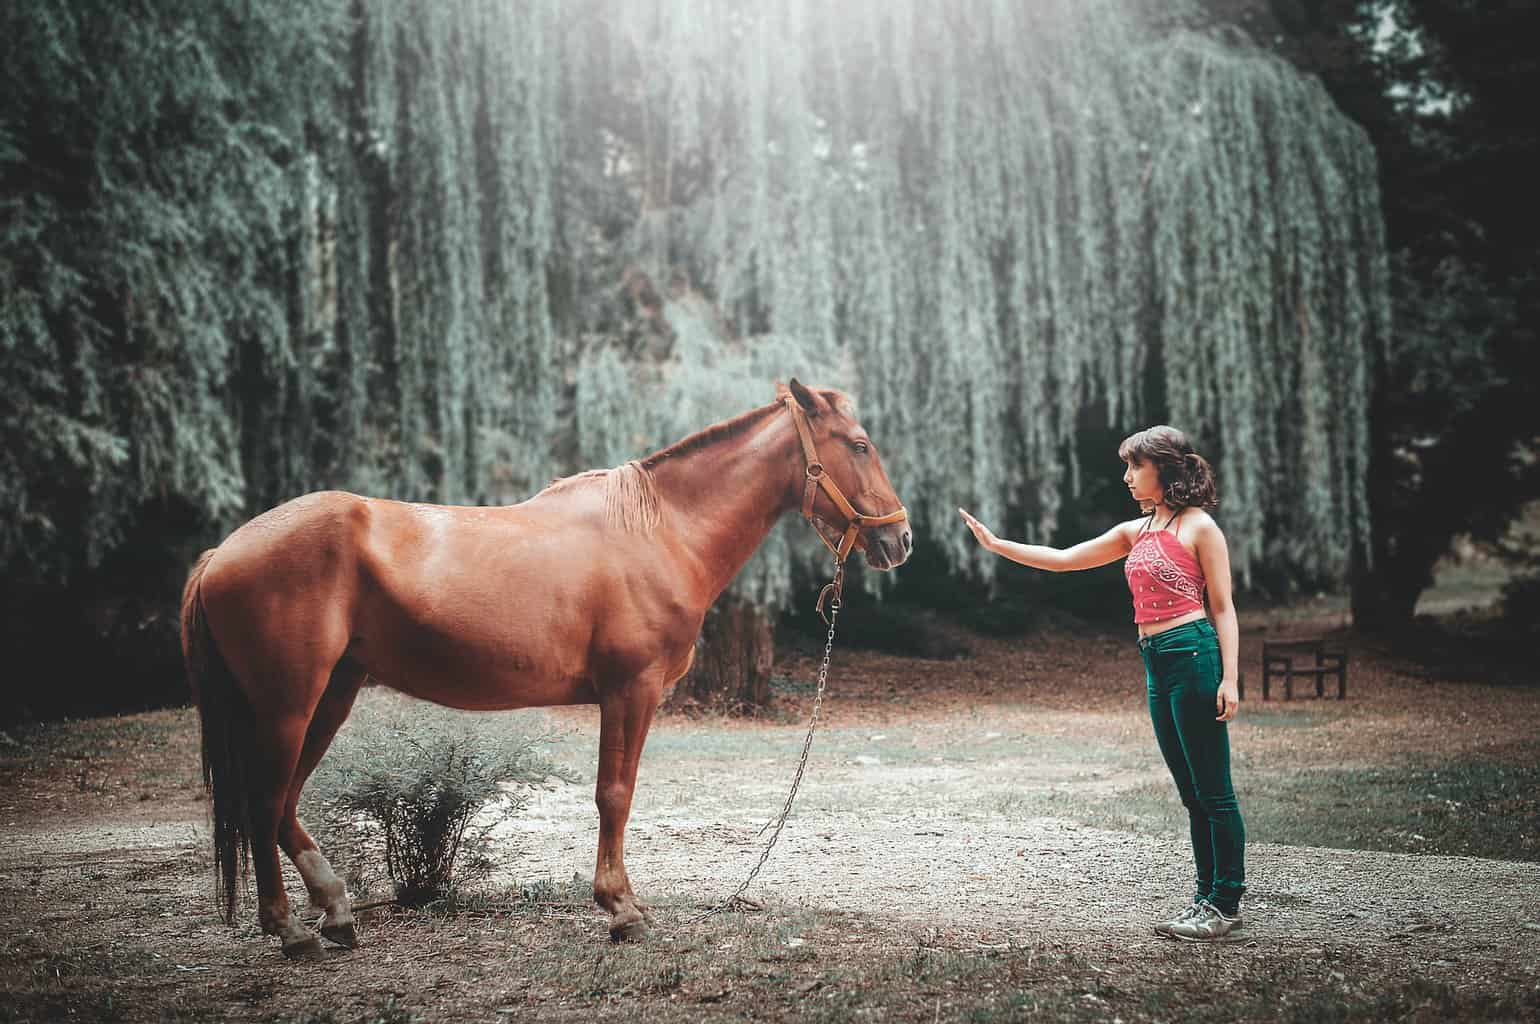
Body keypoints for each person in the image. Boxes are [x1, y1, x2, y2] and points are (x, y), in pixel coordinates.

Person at [958, 425, 1245, 941]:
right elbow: (1065, 559)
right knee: (1191, 793)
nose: (1127, 477)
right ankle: (1204, 899)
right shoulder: (1136, 531)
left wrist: (1230, 677)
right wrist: (998, 545)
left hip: (1193, 654)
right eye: (1127, 466)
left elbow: (1223, 607)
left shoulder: (1200, 528)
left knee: (1214, 791)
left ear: (1166, 468)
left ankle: (1224, 904)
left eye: (1136, 466)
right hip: (1156, 659)